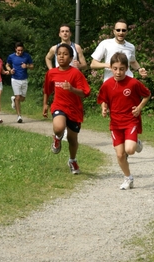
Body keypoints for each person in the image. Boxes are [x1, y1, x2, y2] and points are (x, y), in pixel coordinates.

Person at [97, 52, 151, 190]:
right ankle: (128, 178)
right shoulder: (107, 85)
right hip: (115, 123)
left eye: (121, 69)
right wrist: (104, 108)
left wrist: (139, 108)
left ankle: (135, 143)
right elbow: (104, 99)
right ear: (110, 68)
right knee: (120, 154)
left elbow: (147, 95)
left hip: (130, 121)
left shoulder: (133, 83)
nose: (118, 72)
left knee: (130, 150)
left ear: (127, 68)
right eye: (115, 68)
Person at [43, 43, 91, 174]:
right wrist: (45, 104)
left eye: (65, 54)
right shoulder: (51, 73)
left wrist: (72, 89)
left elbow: (85, 92)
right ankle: (57, 138)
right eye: (59, 54)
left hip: (74, 109)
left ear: (71, 58)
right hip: (59, 105)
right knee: (59, 127)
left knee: (72, 139)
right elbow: (47, 90)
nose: (61, 57)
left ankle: (72, 160)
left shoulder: (76, 74)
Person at [5, 42, 34, 123]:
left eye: (21, 50)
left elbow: (32, 66)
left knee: (22, 99)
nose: (20, 52)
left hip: (24, 79)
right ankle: (19, 116)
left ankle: (13, 99)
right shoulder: (11, 56)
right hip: (15, 79)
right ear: (15, 49)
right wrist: (10, 70)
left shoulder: (27, 56)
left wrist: (27, 66)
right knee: (18, 97)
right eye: (18, 50)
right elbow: (7, 65)